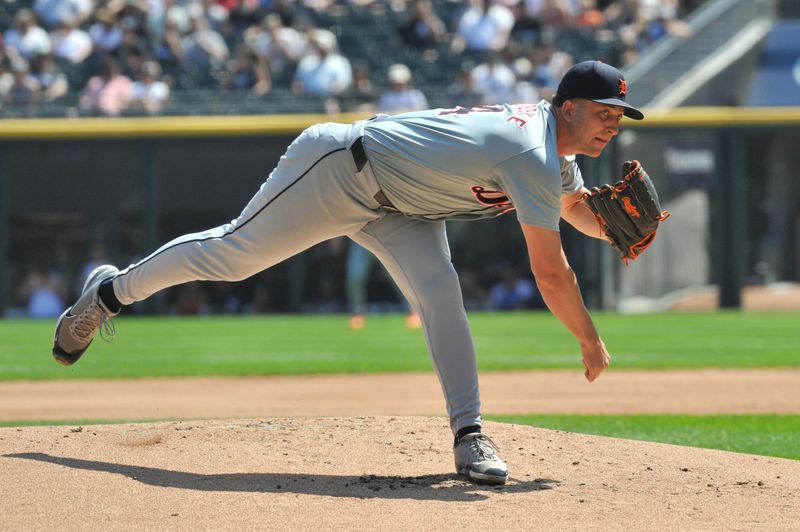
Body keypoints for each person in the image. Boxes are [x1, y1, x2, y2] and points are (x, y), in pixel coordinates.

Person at [53, 60, 642, 486]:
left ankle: (469, 437)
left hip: (402, 207)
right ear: (568, 107)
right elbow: (551, 273)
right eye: (602, 112)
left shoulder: (552, 155)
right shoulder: (531, 152)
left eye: (618, 115)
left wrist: (623, 229)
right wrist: (589, 339)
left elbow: (575, 209)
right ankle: (109, 293)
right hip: (341, 169)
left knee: (442, 296)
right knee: (232, 256)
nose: (612, 123)